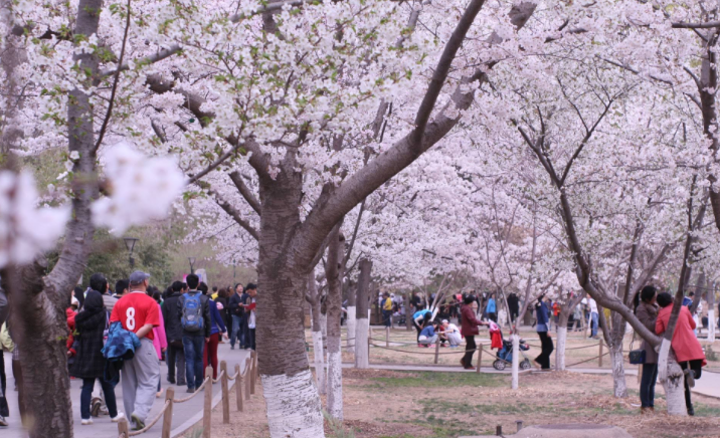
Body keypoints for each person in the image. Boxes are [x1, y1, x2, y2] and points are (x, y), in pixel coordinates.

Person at [110, 271, 161, 430]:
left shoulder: (120, 302)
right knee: (150, 378)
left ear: (130, 284)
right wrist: (134, 338)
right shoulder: (150, 302)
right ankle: (139, 413)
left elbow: (114, 325)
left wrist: (125, 341)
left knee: (129, 382)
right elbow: (148, 325)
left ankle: (133, 420)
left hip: (124, 346)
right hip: (143, 343)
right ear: (145, 282)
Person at [71, 284, 124, 425]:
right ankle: (113, 414)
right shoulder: (104, 314)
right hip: (102, 354)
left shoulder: (79, 318)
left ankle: (85, 417)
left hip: (86, 355)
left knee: (87, 386)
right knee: (107, 386)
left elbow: (77, 337)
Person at [655, 292, 706, 416]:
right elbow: (693, 325)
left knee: (684, 382)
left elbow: (658, 330)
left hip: (678, 348)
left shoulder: (662, 313)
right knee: (697, 373)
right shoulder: (683, 309)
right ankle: (692, 372)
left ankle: (689, 408)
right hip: (691, 344)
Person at [177, 274, 211, 393]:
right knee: (199, 358)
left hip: (186, 332)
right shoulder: (204, 298)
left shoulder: (182, 298)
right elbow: (207, 318)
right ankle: (199, 384)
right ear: (198, 284)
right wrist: (208, 334)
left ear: (187, 284)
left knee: (189, 359)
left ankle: (190, 386)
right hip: (200, 331)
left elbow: (178, 316)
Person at [634, 285, 659, 414]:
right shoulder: (641, 309)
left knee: (653, 379)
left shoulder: (655, 307)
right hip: (649, 346)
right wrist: (660, 318)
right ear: (648, 298)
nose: (656, 298)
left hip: (657, 345)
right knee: (647, 379)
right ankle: (645, 405)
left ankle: (651, 403)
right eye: (654, 296)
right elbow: (647, 326)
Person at [162, 281, 186, 386]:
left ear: (172, 289)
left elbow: (163, 319)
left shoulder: (167, 302)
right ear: (182, 289)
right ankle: (181, 379)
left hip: (170, 333)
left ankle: (171, 376)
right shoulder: (185, 300)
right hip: (183, 332)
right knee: (181, 356)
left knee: (171, 355)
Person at [201, 283, 227, 379]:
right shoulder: (212, 303)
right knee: (213, 355)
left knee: (204, 355)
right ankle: (215, 375)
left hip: (202, 332)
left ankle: (205, 375)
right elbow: (218, 318)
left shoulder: (197, 302)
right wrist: (224, 330)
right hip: (214, 332)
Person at [460, 295, 488, 370]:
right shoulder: (467, 309)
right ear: (471, 302)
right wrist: (482, 323)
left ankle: (465, 360)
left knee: (470, 346)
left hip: (468, 330)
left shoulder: (466, 308)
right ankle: (467, 364)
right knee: (471, 347)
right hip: (469, 330)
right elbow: (472, 319)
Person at [151, 291, 167, 397]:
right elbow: (160, 326)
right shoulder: (155, 306)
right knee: (155, 366)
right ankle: (157, 389)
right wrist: (163, 343)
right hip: (154, 339)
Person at [534, 295, 554, 370]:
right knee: (550, 347)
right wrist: (548, 329)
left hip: (540, 328)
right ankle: (538, 360)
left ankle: (545, 366)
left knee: (545, 347)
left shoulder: (540, 305)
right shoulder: (542, 305)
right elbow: (545, 318)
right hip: (543, 329)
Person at [228, 284, 246, 350]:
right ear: (236, 289)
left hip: (244, 315)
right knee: (235, 330)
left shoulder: (245, 296)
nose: (241, 288)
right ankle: (232, 343)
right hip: (236, 315)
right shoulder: (233, 296)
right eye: (239, 287)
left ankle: (242, 344)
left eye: (242, 287)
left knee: (243, 331)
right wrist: (237, 305)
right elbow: (230, 305)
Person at [245, 283, 258, 350]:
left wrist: (255, 310)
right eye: (248, 292)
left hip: (258, 322)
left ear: (255, 290)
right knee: (252, 342)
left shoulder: (259, 298)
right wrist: (247, 308)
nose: (249, 294)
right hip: (251, 322)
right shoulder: (249, 299)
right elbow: (246, 310)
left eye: (250, 292)